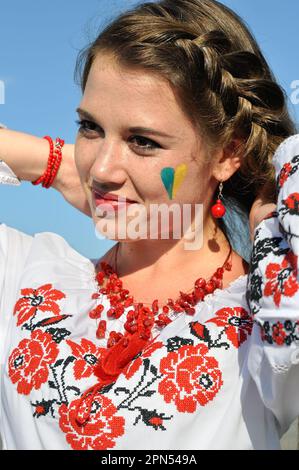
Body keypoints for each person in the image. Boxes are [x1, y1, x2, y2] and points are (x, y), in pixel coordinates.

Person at [0, 0, 298, 450]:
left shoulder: (266, 324)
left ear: (227, 154)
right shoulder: (23, 273)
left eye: (142, 141)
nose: (101, 169)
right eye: (91, 127)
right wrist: (61, 167)